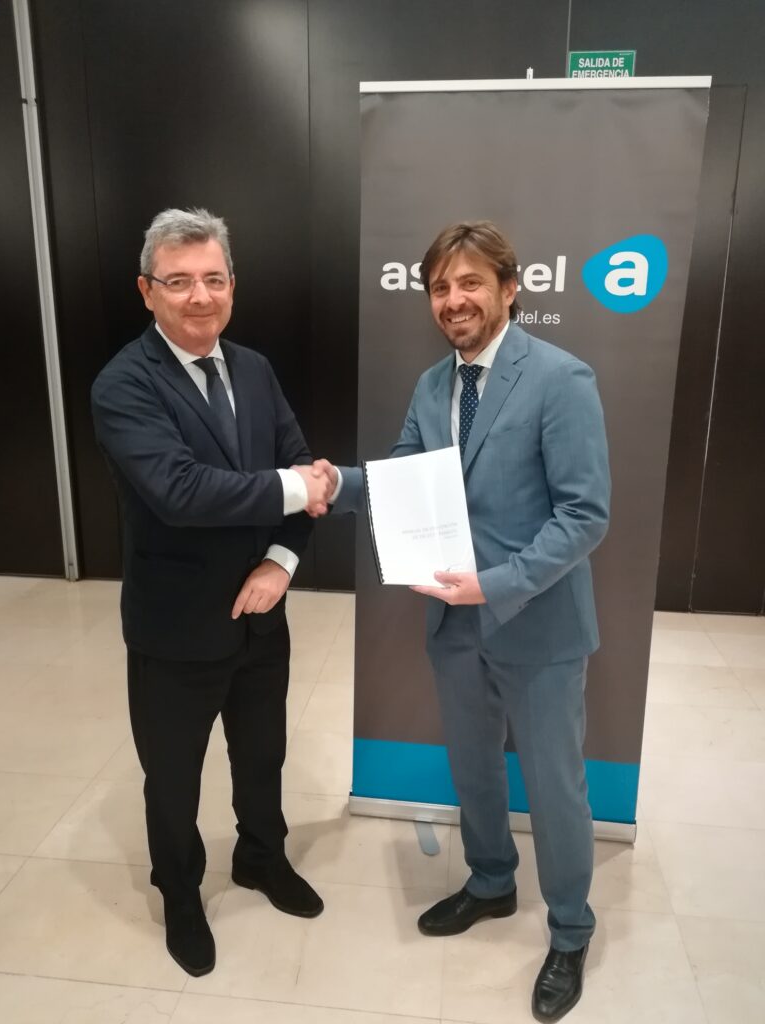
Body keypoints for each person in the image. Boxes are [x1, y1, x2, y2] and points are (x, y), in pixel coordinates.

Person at [320, 221, 610, 1022]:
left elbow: (585, 516)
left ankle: (570, 930)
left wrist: (497, 584)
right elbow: (405, 479)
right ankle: (490, 881)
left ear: (510, 290)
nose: (455, 300)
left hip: (539, 629)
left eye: (471, 282)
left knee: (554, 787)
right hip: (454, 628)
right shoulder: (431, 387)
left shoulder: (561, 379)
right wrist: (334, 485)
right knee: (475, 769)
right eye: (441, 287)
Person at [91, 208, 331, 977]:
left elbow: (300, 470)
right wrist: (297, 487)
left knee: (263, 755)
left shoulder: (255, 369)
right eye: (179, 281)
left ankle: (261, 856)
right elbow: (182, 492)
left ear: (233, 284)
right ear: (147, 291)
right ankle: (181, 892)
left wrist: (281, 563)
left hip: (263, 614)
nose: (200, 296)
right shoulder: (124, 384)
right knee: (174, 775)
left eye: (214, 279)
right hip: (177, 627)